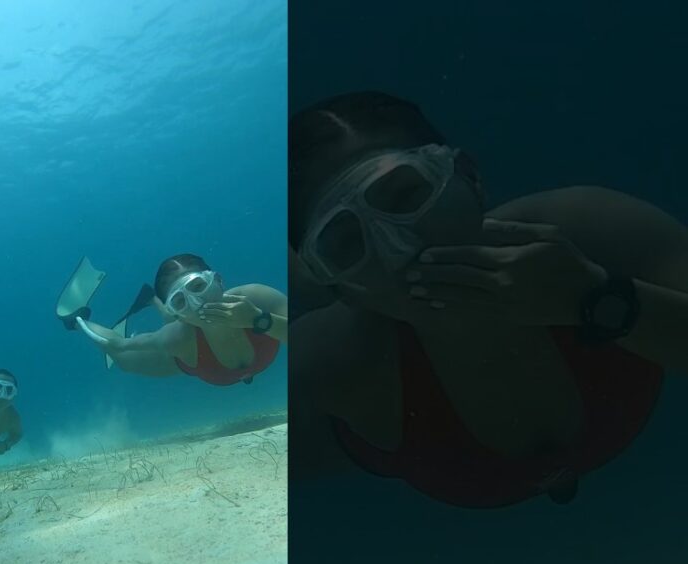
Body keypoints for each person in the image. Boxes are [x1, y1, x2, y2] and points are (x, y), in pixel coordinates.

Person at [289, 91, 688, 508]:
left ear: (469, 176)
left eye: (407, 195)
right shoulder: (333, 359)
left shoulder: (590, 231)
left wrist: (594, 296)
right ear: (342, 290)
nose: (398, 250)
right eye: (345, 241)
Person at [71, 254, 288, 386]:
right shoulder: (177, 339)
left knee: (188, 317)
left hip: (192, 332)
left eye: (198, 286)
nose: (197, 303)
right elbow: (122, 345)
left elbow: (312, 335)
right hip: (191, 353)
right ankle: (75, 317)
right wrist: (87, 326)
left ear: (218, 280)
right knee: (125, 361)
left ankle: (153, 300)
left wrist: (259, 319)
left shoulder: (259, 299)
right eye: (179, 301)